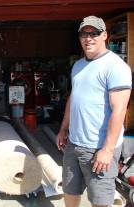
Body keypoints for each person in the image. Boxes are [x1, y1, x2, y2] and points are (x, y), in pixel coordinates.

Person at [56, 15, 132, 207]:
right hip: (74, 144)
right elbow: (74, 98)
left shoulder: (116, 66)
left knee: (99, 200)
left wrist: (107, 149)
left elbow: (120, 109)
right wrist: (64, 128)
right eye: (84, 33)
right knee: (69, 191)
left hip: (99, 147)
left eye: (94, 33)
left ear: (104, 35)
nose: (88, 38)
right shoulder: (79, 65)